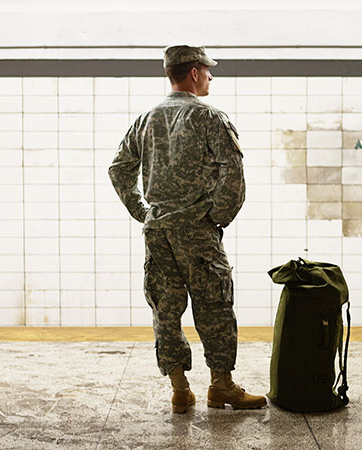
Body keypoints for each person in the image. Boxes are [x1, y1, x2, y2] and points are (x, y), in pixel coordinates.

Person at [108, 45, 267, 414]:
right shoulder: (210, 117)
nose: (211, 76)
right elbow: (233, 174)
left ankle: (180, 390)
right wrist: (216, 216)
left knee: (165, 308)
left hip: (158, 231)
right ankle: (222, 386)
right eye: (208, 70)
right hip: (196, 231)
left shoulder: (146, 119)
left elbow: (119, 168)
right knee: (215, 306)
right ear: (194, 72)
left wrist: (142, 212)